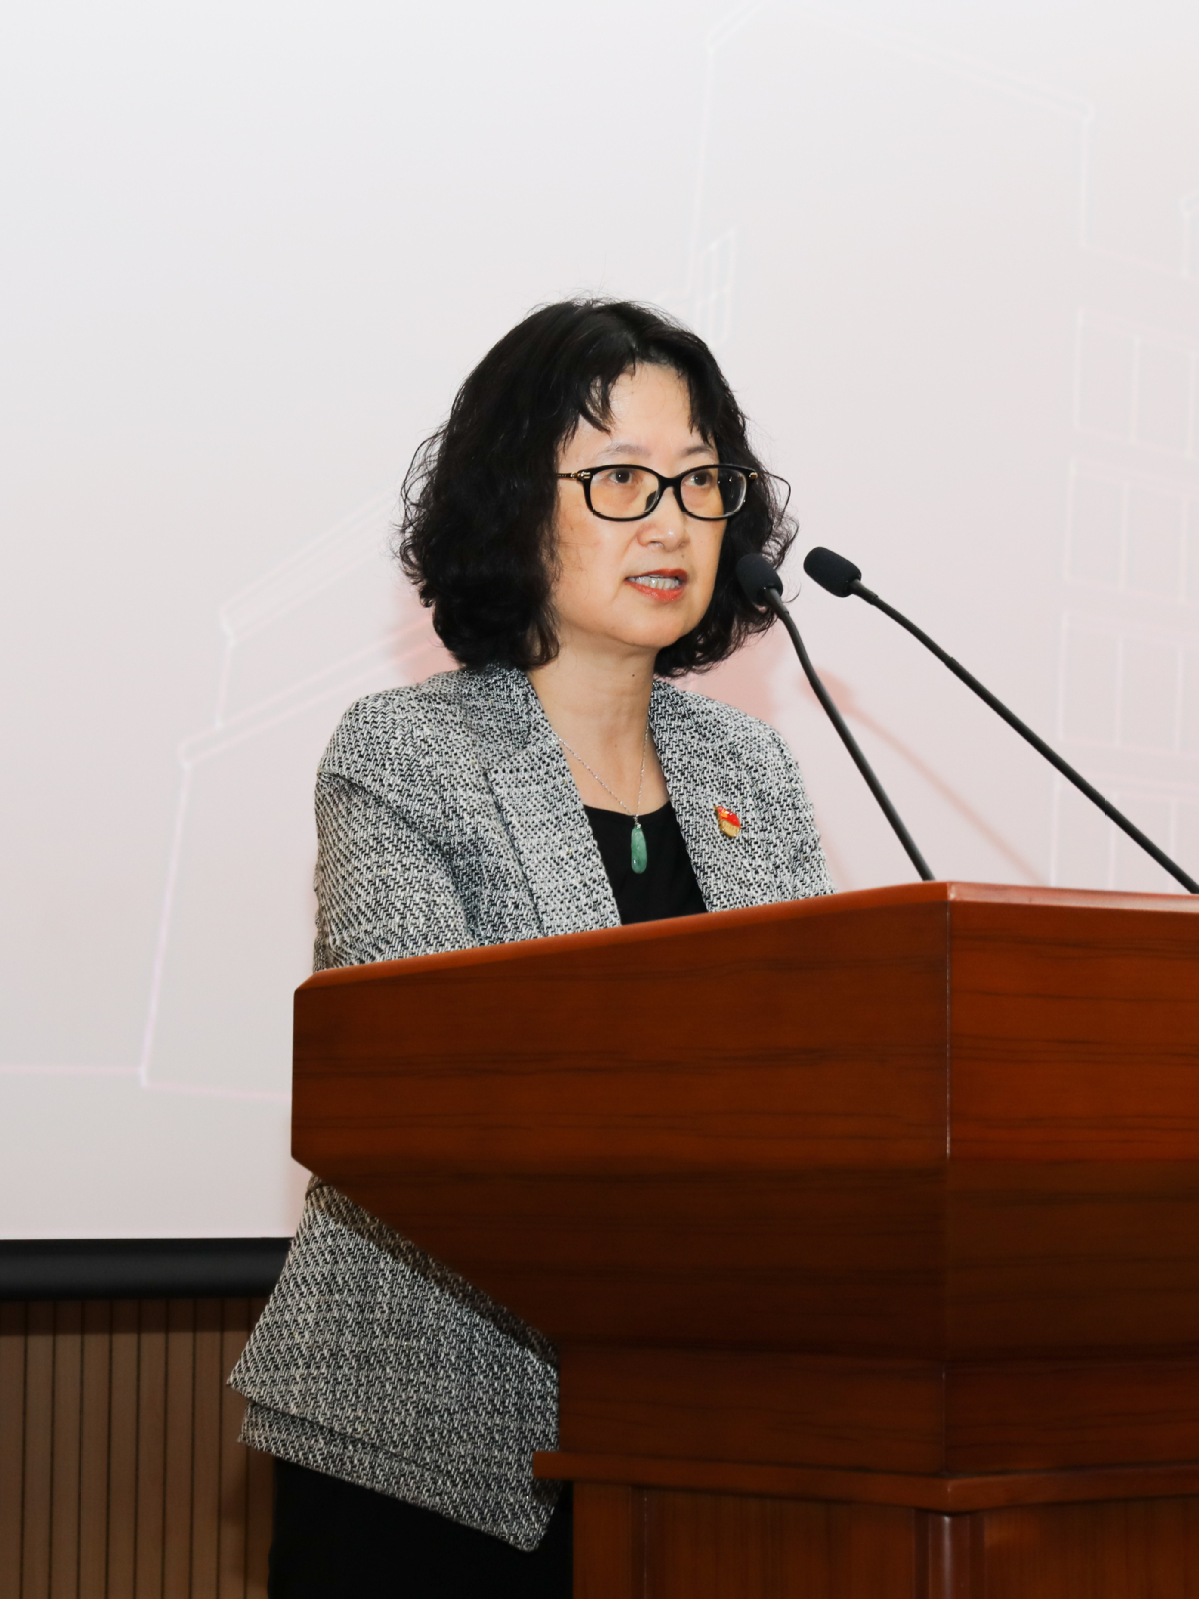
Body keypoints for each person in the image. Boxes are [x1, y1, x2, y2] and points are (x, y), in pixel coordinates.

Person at [228, 300, 833, 1596]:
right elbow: (409, 1092)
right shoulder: (407, 755)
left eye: (700, 481)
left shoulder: (753, 771)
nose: (669, 522)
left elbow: (823, 1077)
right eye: (619, 479)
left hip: (690, 1433)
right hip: (426, 1435)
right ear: (514, 505)